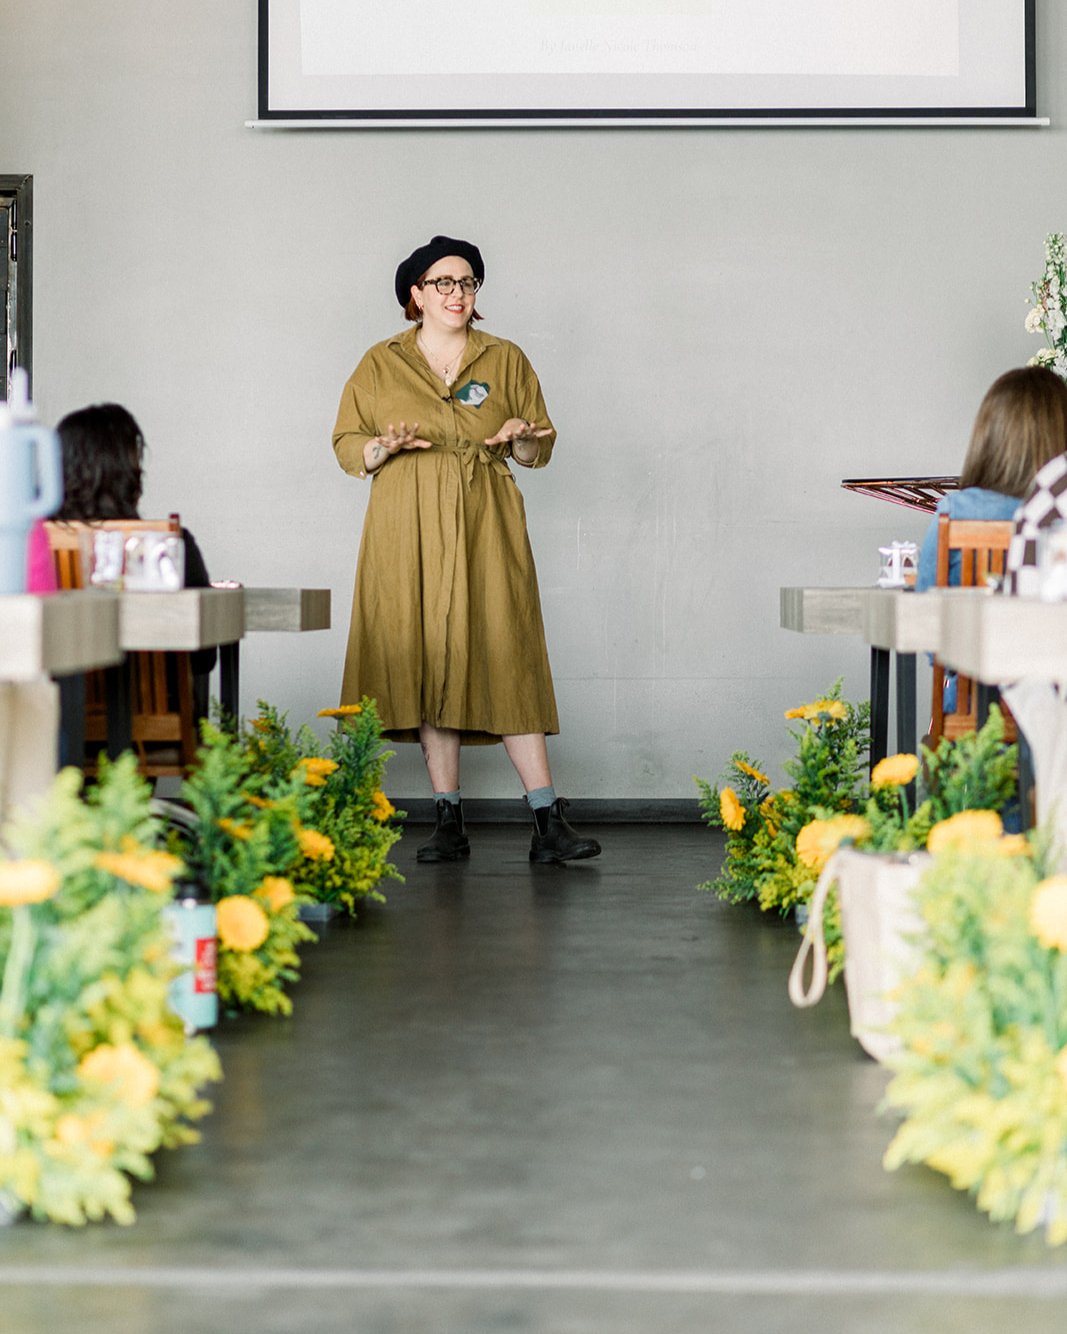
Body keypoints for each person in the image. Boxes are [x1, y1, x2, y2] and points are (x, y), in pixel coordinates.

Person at [332, 235, 601, 866]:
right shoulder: (380, 363)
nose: (458, 294)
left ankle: (546, 820)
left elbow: (538, 447)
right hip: (408, 525)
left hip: (487, 520)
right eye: (444, 283)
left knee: (505, 650)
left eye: (468, 283)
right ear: (415, 294)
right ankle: (446, 818)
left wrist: (519, 438)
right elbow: (349, 444)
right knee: (427, 656)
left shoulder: (505, 359)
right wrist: (384, 448)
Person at [916, 366, 1067, 716]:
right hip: (1054, 721)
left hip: (973, 716)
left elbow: (928, 634)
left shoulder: (954, 511)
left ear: (988, 436)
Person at [54, 403, 217, 707]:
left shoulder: (36, 548)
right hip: (158, 734)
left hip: (59, 731)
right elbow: (203, 657)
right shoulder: (170, 544)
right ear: (130, 474)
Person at [916, 366, 1067, 591]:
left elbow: (923, 600)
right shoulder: (1057, 515)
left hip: (968, 627)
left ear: (987, 436)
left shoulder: (956, 511)